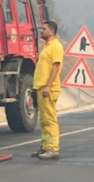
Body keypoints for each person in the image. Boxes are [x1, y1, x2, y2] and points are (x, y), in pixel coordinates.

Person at [31, 21, 64, 160]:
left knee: (50, 119)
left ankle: (53, 148)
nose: (41, 31)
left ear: (52, 31)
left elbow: (55, 67)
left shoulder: (56, 46)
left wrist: (48, 86)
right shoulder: (47, 46)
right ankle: (45, 146)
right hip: (40, 87)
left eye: (44, 29)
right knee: (43, 120)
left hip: (48, 88)